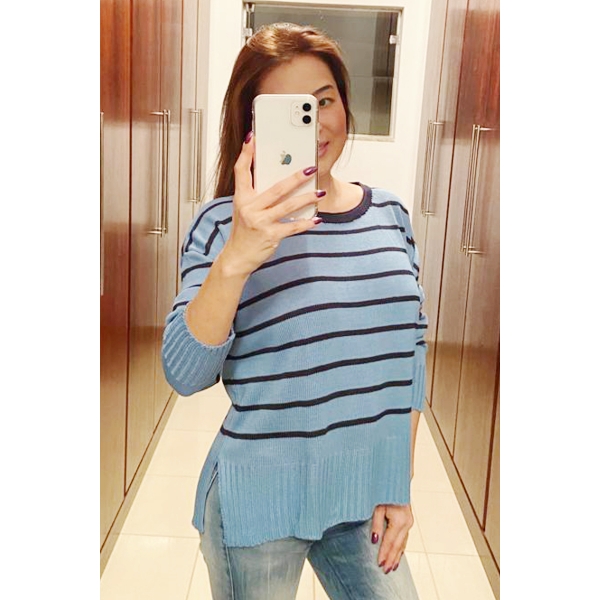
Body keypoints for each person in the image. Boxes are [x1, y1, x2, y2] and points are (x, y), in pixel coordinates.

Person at [162, 22, 427, 600]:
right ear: (252, 126)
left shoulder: (391, 217)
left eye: (323, 101)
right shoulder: (221, 226)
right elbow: (184, 373)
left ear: (345, 105)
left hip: (362, 500)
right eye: (291, 110)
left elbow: (411, 354)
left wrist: (397, 481)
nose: (316, 123)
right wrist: (238, 256)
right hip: (260, 500)